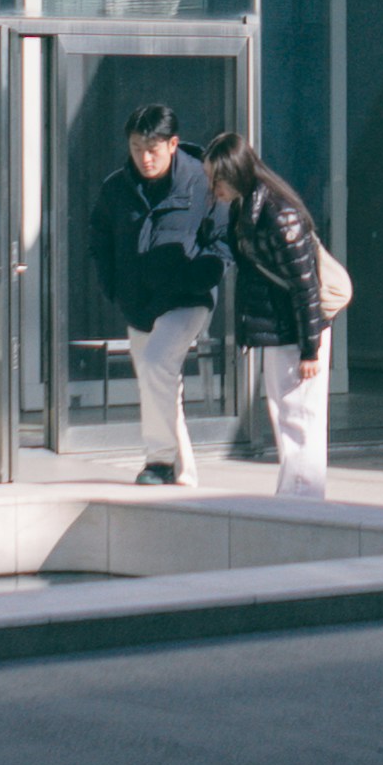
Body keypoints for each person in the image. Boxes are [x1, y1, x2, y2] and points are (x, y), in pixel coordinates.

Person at [86, 104, 227, 487]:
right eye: (136, 148)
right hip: (137, 302)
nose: (145, 158)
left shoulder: (202, 181)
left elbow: (223, 240)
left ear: (173, 144)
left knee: (156, 364)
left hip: (187, 298)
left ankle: (160, 461)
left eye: (153, 149)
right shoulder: (116, 188)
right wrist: (112, 286)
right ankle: (179, 469)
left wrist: (204, 275)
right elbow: (99, 239)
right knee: (154, 378)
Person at [205, 131, 339, 499]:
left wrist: (310, 349)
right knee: (286, 415)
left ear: (235, 173)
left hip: (297, 331)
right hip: (282, 330)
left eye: (217, 178)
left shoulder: (279, 214)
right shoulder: (246, 208)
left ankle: (302, 498)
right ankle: (294, 494)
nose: (212, 186)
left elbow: (305, 285)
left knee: (300, 419)